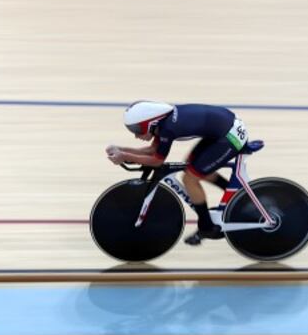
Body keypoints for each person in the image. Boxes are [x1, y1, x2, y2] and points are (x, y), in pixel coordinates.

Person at [106, 100, 249, 246]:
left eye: (136, 129)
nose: (136, 135)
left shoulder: (168, 128)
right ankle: (236, 195)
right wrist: (121, 150)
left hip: (230, 136)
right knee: (194, 167)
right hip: (225, 129)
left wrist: (125, 156)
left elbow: (156, 161)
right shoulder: (162, 123)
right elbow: (152, 150)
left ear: (148, 123)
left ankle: (207, 227)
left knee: (190, 178)